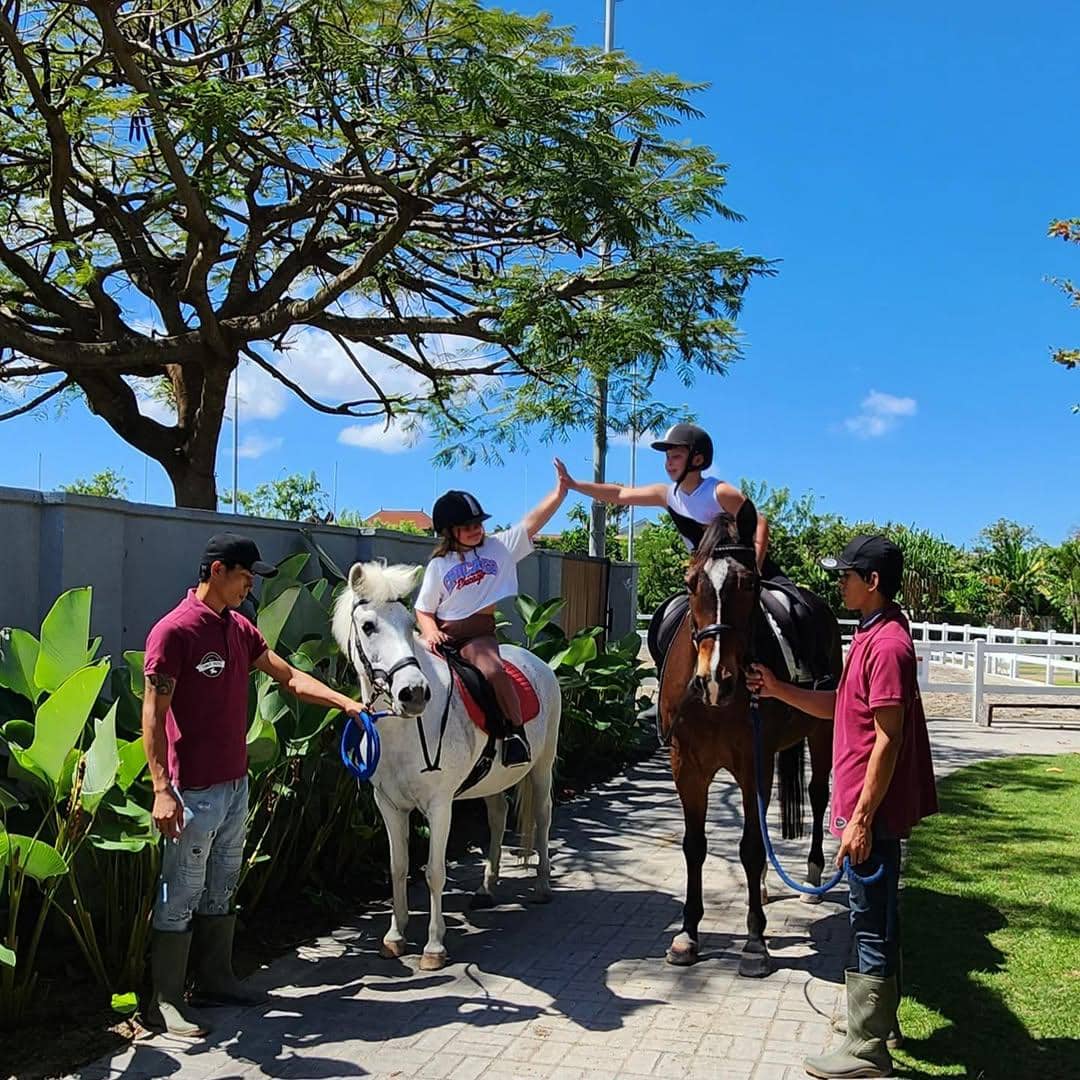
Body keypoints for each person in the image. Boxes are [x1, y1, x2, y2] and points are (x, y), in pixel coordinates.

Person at [143, 532, 366, 1038]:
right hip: (191, 790)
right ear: (218, 570)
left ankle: (217, 977)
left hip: (235, 785)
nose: (250, 585)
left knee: (221, 886)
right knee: (181, 891)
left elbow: (289, 678)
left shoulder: (240, 630)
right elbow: (152, 715)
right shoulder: (173, 633)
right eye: (245, 575)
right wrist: (161, 788)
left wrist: (347, 703)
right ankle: (165, 1001)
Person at [746, 535, 938, 1079]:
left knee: (870, 923)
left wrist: (860, 819)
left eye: (846, 575)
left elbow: (888, 737)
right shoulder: (871, 634)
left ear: (871, 582)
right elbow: (843, 705)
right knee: (875, 918)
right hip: (863, 811)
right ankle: (873, 1027)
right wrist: (780, 689)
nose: (839, 583)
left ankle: (866, 1050)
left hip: (869, 815)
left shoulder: (890, 646)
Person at [554, 423, 832, 685]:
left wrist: (754, 567)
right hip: (706, 581)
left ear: (697, 460)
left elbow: (758, 522)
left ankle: (810, 675)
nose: (669, 463)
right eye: (668, 458)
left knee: (794, 609)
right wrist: (575, 485)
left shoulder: (718, 491)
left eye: (675, 456)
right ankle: (670, 686)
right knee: (667, 622)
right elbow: (620, 493)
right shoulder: (667, 494)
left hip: (743, 575)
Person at [414, 463, 568, 767]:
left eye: (478, 524)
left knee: (494, 672)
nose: (476, 529)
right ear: (449, 532)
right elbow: (423, 609)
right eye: (468, 526)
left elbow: (531, 523)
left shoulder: (499, 548)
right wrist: (430, 632)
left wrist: (560, 492)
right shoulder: (439, 565)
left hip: (477, 636)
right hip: (442, 633)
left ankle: (514, 734)